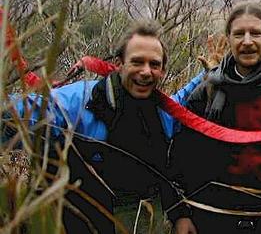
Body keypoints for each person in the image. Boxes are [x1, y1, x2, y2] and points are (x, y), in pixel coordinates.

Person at [32, 20, 203, 233]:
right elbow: (30, 111)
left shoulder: (161, 112)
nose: (146, 71)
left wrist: (180, 215)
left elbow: (164, 168)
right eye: (137, 62)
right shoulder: (82, 100)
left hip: (143, 220)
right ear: (119, 64)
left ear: (163, 71)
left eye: (154, 64)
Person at [171, 2, 261, 234]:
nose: (247, 41)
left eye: (255, 33)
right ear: (228, 39)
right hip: (215, 214)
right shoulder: (207, 92)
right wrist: (181, 214)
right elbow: (182, 157)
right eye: (239, 34)